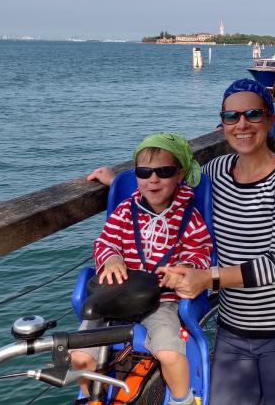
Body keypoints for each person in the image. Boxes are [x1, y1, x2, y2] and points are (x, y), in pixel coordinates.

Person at [87, 79, 275, 404]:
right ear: (222, 123)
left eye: (253, 114)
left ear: (270, 120)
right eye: (232, 116)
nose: (242, 124)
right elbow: (172, 187)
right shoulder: (216, 172)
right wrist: (126, 182)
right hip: (234, 332)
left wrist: (207, 277)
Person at [74, 133, 212, 405]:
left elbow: (201, 252)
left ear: (179, 174)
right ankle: (90, 397)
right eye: (144, 172)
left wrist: (183, 268)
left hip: (162, 302)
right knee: (79, 355)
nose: (153, 179)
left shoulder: (189, 217)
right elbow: (105, 241)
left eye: (164, 171)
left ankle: (181, 398)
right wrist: (112, 258)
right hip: (114, 298)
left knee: (169, 354)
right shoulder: (125, 211)